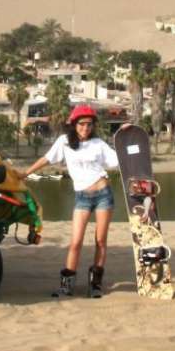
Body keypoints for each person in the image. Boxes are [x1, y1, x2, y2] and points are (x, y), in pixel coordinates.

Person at [17, 105, 125, 297]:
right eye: (82, 124)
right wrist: (25, 173)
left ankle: (95, 286)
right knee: (75, 242)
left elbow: (119, 160)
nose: (86, 128)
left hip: (103, 194)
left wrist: (125, 137)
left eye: (89, 124)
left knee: (100, 240)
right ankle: (67, 286)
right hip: (82, 196)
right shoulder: (64, 142)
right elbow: (46, 159)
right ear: (74, 124)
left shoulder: (98, 144)